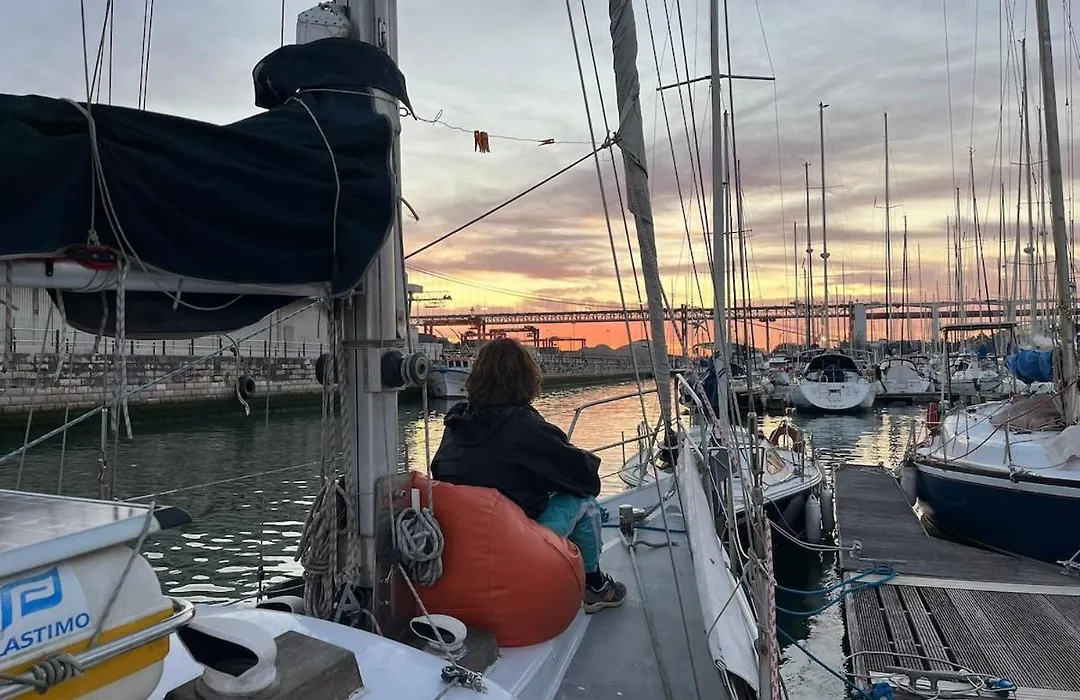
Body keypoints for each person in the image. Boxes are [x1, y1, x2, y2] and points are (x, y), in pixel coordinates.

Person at [430, 338, 626, 613]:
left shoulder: (455, 424)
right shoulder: (527, 427)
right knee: (584, 502)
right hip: (515, 546)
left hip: (465, 546)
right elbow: (586, 480)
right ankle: (595, 586)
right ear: (526, 379)